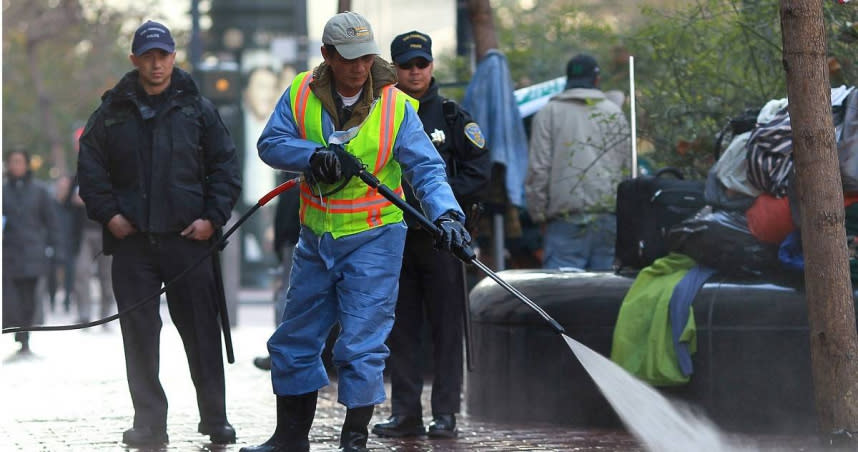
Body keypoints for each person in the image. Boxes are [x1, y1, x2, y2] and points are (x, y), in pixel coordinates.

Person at [242, 11, 471, 452]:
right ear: (327, 55)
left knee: (362, 346)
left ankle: (354, 440)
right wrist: (314, 156)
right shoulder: (298, 94)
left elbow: (427, 169)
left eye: (366, 57)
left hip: (375, 239)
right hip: (316, 239)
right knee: (294, 339)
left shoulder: (396, 105)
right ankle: (290, 438)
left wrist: (447, 216)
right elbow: (269, 143)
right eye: (348, 58)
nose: (359, 67)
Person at [77, 20, 241, 447]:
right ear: (134, 59)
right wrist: (109, 216)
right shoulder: (110, 112)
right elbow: (91, 172)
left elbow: (225, 168)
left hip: (189, 242)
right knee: (139, 337)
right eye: (147, 55)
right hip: (132, 245)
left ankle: (215, 417)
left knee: (203, 333)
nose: (156, 63)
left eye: (163, 55)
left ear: (173, 57)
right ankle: (149, 422)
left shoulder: (198, 109)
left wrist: (212, 219)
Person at [371, 30, 490, 439]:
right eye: (406, 65)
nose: (415, 71)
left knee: (445, 329)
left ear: (431, 66)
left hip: (444, 241)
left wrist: (441, 206)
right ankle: (405, 412)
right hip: (393, 237)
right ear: (394, 68)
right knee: (401, 329)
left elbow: (479, 171)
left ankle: (446, 413)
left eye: (422, 64)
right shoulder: (379, 114)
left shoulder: (455, 117)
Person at [525, 53, 631, 271]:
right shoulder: (614, 113)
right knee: (603, 295)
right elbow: (627, 169)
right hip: (607, 220)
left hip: (564, 221)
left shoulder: (548, 113)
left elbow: (539, 168)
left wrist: (539, 215)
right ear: (597, 79)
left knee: (563, 299)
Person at [2, 149, 60, 354]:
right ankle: (19, 332)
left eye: (19, 162)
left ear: (26, 164)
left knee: (29, 297)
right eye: (12, 162)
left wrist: (53, 247)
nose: (16, 166)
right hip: (8, 253)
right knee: (11, 297)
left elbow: (51, 221)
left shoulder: (40, 191)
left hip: (33, 252)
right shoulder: (3, 191)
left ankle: (25, 335)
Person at [253, 170, 301, 371]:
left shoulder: (296, 164)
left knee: (288, 298)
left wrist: (282, 241)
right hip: (297, 236)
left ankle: (284, 355)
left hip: (298, 237)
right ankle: (284, 354)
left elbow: (288, 207)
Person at [67, 175, 116, 325]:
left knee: (107, 276)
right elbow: (66, 202)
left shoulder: (111, 173)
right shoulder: (78, 177)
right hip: (83, 233)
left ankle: (106, 315)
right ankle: (84, 315)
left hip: (106, 231)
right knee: (81, 273)